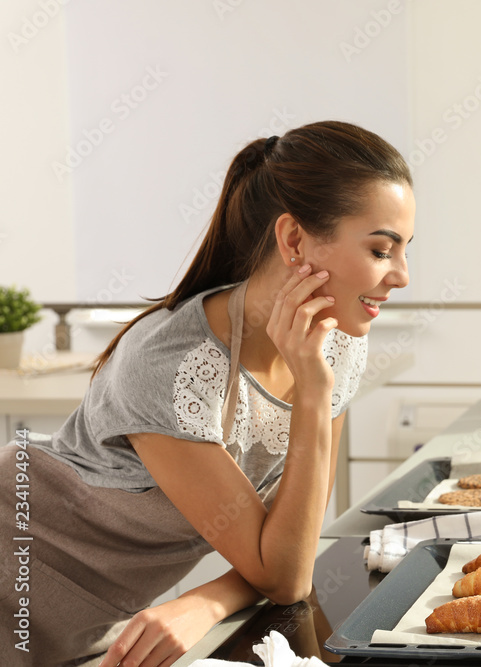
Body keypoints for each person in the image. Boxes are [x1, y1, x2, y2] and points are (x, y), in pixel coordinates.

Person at [0, 120, 414, 666]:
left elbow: (289, 557)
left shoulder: (333, 348)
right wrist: (314, 392)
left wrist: (206, 601)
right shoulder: (170, 362)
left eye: (404, 249)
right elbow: (283, 573)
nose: (403, 275)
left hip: (100, 621)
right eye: (382, 250)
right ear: (293, 240)